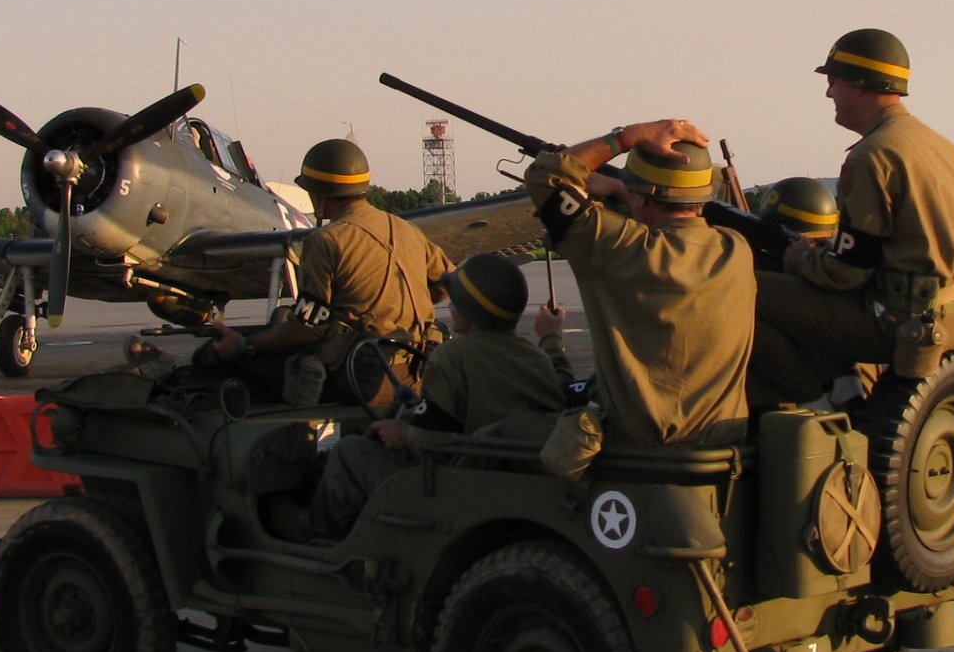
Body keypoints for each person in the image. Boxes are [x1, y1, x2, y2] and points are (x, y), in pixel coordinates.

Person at [751, 29, 954, 406]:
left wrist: (804, 260)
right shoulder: (935, 144)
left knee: (746, 294)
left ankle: (817, 407)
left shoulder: (871, 156)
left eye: (834, 81)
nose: (829, 93)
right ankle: (846, 389)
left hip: (899, 319)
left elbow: (848, 270)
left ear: (859, 85)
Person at [305, 252, 573, 541]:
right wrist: (551, 338)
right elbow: (564, 387)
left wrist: (403, 433)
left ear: (465, 313)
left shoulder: (452, 357)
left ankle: (319, 541)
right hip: (510, 487)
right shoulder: (536, 358)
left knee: (350, 452)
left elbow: (429, 445)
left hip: (457, 493)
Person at [523, 119, 754, 448]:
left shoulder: (618, 247)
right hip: (721, 453)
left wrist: (625, 138)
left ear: (642, 200)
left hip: (636, 458)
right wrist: (627, 191)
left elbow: (545, 176)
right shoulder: (736, 251)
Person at [200, 137, 451, 406]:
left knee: (213, 357)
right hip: (414, 376)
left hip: (359, 378)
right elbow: (446, 283)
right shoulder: (406, 229)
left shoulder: (325, 241)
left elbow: (307, 330)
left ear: (319, 194)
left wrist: (243, 345)